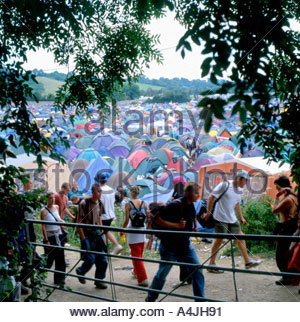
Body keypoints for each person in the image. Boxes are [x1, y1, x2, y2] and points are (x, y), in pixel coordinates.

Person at [145, 182, 205, 302]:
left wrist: (194, 227)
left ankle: (201, 301)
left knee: (197, 269)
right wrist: (176, 225)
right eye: (196, 193)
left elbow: (192, 217)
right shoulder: (174, 205)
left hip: (185, 245)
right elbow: (158, 219)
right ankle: (151, 298)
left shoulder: (191, 205)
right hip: (169, 246)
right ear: (188, 193)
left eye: (199, 192)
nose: (198, 195)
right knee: (162, 273)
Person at [204, 170, 262, 273]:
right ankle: (211, 264)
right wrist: (208, 213)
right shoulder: (224, 185)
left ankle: (247, 261)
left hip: (231, 218)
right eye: (245, 180)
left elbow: (237, 203)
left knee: (240, 236)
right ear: (239, 179)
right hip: (220, 217)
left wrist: (241, 217)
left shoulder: (239, 189)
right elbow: (211, 197)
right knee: (219, 240)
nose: (246, 183)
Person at [76, 183, 108, 289]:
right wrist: (83, 238)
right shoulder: (84, 203)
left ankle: (99, 280)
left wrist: (102, 232)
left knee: (103, 260)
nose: (100, 194)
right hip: (87, 234)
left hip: (97, 234)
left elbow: (99, 218)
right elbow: (78, 222)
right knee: (90, 258)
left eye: (101, 191)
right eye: (98, 191)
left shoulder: (100, 203)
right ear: (93, 192)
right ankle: (81, 271)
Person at [272, 176, 298, 285]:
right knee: (287, 253)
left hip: (286, 227)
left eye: (278, 188)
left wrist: (277, 197)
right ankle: (289, 277)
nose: (277, 190)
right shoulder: (293, 196)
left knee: (280, 254)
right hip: (291, 227)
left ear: (282, 187)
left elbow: (274, 210)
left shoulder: (287, 199)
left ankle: (286, 277)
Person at [121, 186, 149, 287]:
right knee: (138, 253)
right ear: (138, 193)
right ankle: (136, 272)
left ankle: (143, 279)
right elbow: (148, 218)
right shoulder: (145, 203)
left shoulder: (128, 204)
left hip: (132, 231)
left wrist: (122, 229)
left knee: (136, 255)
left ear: (130, 193)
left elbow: (127, 220)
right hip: (142, 229)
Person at [41, 191, 66, 285]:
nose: (53, 200)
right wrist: (46, 240)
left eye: (53, 198)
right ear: (46, 199)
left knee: (61, 258)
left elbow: (59, 218)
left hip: (59, 235)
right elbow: (43, 226)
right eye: (50, 198)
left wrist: (62, 223)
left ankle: (60, 279)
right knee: (49, 260)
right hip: (50, 236)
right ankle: (39, 275)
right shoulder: (43, 211)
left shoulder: (56, 207)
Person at [95, 174, 123, 255]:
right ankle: (112, 247)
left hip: (103, 215)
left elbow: (99, 203)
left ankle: (106, 248)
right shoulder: (111, 189)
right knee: (105, 231)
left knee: (103, 231)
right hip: (110, 214)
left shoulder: (99, 190)